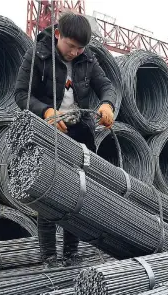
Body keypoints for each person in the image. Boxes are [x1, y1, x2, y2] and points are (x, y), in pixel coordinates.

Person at [14, 12, 117, 261]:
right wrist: (46, 111)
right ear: (58, 35)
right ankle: (49, 257)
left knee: (77, 192)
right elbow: (20, 94)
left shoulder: (87, 59)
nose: (74, 53)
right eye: (71, 46)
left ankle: (71, 254)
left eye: (79, 49)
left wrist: (107, 104)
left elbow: (106, 85)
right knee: (48, 191)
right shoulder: (39, 55)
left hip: (78, 132)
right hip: (48, 131)